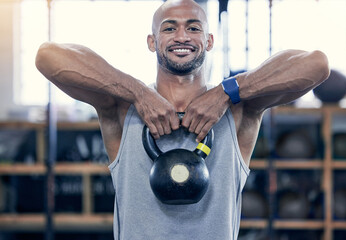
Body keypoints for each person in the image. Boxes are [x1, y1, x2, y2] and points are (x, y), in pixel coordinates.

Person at [35, 0, 330, 239]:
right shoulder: (123, 108)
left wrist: (227, 93)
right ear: (152, 42)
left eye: (193, 27)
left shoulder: (238, 111)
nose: (182, 36)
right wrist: (139, 93)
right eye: (169, 28)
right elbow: (47, 56)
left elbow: (316, 64)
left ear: (209, 40)